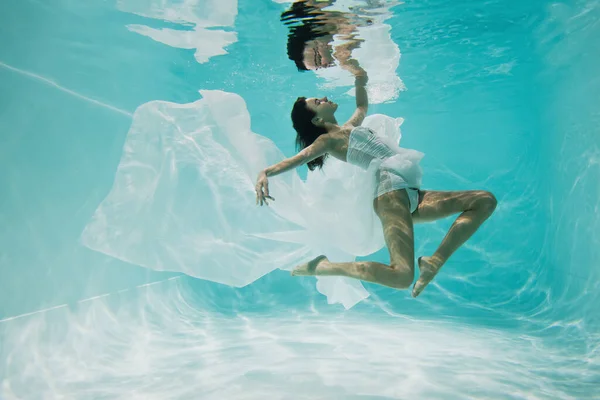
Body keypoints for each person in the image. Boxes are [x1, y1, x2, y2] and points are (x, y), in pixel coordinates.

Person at [254, 57, 497, 298]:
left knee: (483, 200)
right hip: (389, 194)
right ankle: (325, 267)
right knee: (402, 276)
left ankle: (434, 261)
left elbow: (361, 107)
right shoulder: (326, 141)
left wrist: (359, 77)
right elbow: (299, 158)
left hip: (407, 190)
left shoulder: (350, 127)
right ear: (317, 120)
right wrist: (266, 172)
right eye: (318, 101)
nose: (324, 98)